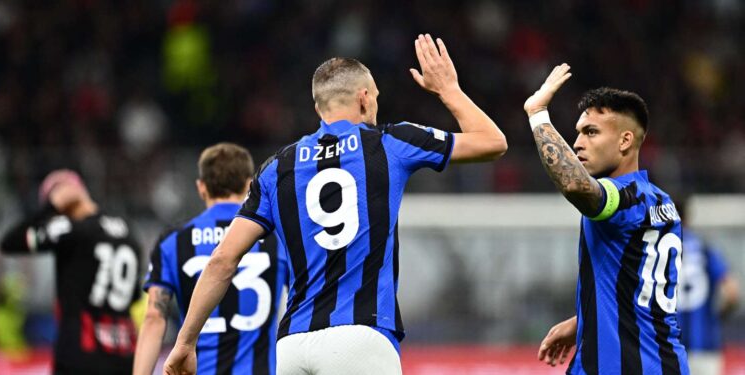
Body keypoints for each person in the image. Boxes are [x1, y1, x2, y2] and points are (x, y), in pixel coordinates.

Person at [163, 34, 508, 375]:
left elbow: (222, 260)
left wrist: (185, 343)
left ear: (318, 109)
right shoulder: (390, 143)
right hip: (361, 339)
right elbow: (492, 142)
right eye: (375, 97)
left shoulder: (276, 167)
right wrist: (448, 90)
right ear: (363, 99)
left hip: (292, 347)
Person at [527, 65, 689, 374]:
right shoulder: (661, 201)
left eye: (590, 132)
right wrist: (584, 320)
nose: (577, 143)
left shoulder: (623, 197)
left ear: (625, 141)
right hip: (666, 364)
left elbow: (575, 184)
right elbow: (638, 287)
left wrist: (538, 114)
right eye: (578, 132)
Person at [133, 143, 288, 375]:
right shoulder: (278, 238)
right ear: (249, 186)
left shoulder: (173, 241)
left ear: (201, 188)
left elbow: (155, 317)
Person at [0, 169, 142, 374]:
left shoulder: (70, 228)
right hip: (124, 353)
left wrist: (49, 207)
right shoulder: (128, 231)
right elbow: (134, 295)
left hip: (81, 351)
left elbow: (11, 242)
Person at [676, 200, 739, 375]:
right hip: (706, 345)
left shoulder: (657, 248)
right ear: (688, 217)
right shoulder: (704, 248)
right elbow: (732, 292)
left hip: (669, 346)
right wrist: (718, 315)